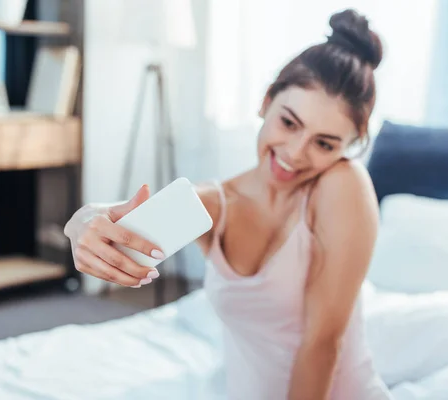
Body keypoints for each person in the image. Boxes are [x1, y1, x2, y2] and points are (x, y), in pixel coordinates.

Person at [63, 8, 392, 400]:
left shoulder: (343, 184)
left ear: (347, 147)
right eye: (289, 123)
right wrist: (82, 221)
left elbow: (323, 344)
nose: (296, 153)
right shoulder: (218, 205)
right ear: (265, 101)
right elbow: (120, 224)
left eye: (325, 144)